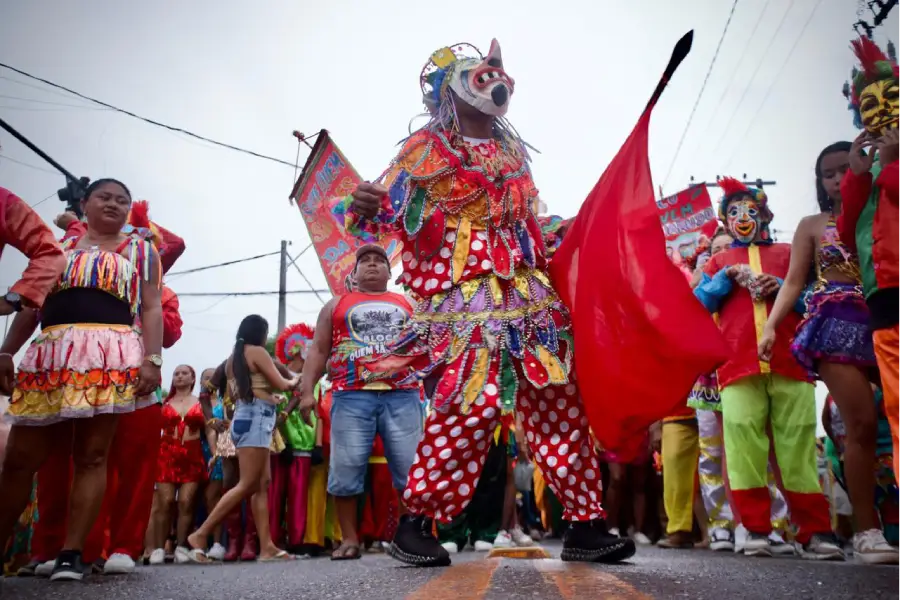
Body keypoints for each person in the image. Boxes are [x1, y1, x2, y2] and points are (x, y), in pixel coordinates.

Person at [335, 39, 635, 568]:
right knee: (467, 408)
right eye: (481, 78)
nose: (498, 86)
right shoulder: (422, 153)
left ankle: (585, 523)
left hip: (527, 296)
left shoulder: (514, 156)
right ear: (448, 91)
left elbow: (527, 224)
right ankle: (417, 524)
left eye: (503, 81)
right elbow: (387, 217)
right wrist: (364, 204)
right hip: (465, 302)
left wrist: (566, 229)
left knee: (559, 401)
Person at [0, 179, 163, 581]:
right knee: (21, 459)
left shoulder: (142, 250)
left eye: (122, 200)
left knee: (92, 455)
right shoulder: (56, 249)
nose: (114, 204)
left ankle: (73, 554)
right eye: (104, 197)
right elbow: (32, 303)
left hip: (109, 353)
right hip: (52, 351)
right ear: (85, 204)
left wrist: (152, 360)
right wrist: (7, 350)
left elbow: (153, 306)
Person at [760, 141, 900, 564]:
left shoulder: (883, 211)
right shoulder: (811, 225)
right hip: (835, 326)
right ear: (820, 182)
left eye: (846, 168)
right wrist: (769, 327)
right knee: (858, 424)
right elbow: (792, 281)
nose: (839, 178)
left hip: (883, 313)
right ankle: (867, 532)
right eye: (829, 173)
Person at [694, 177, 842, 560]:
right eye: (734, 213)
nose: (743, 219)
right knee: (743, 446)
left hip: (790, 360)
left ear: (765, 213)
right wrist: (723, 280)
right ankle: (755, 528)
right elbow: (697, 303)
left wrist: (781, 286)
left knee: (797, 446)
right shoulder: (719, 260)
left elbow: (816, 298)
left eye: (750, 211)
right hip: (736, 363)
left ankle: (814, 532)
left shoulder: (789, 252)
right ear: (725, 221)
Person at [300, 244, 424, 560]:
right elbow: (317, 350)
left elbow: (429, 344)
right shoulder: (335, 305)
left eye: (379, 261)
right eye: (364, 261)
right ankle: (349, 539)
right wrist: (305, 392)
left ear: (389, 272)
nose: (372, 265)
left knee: (410, 468)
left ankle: (413, 535)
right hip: (350, 394)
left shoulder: (409, 303)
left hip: (403, 393)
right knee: (346, 467)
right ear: (353, 274)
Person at [688, 230, 792, 555]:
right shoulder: (707, 280)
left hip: (747, 368)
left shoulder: (757, 276)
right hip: (709, 378)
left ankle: (771, 525)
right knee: (712, 454)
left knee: (758, 450)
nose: (724, 253)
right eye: (716, 250)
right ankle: (721, 525)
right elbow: (694, 310)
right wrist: (721, 278)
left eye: (727, 248)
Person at [836, 38, 900, 488]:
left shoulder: (891, 163)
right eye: (870, 104)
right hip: (884, 303)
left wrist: (891, 164)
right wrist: (859, 175)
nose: (880, 111)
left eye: (891, 98)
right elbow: (847, 232)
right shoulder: (872, 168)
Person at [185, 314, 299, 562]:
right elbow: (282, 383)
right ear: (259, 332)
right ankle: (201, 534)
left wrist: (273, 398)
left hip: (247, 418)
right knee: (247, 484)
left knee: (261, 484)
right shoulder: (257, 352)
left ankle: (267, 546)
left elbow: (241, 391)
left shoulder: (232, 359)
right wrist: (299, 377)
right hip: (255, 420)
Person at [270, 322, 321, 551]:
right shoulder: (277, 377)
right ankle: (270, 540)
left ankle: (297, 541)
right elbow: (273, 410)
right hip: (278, 444)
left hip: (304, 446)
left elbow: (319, 414)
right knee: (273, 494)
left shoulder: (314, 380)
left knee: (299, 496)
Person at [150, 365, 207, 564]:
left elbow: (209, 429)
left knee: (186, 502)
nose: (180, 376)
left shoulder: (201, 402)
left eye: (184, 373)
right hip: (167, 454)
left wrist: (216, 452)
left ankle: (181, 546)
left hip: (192, 455)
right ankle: (158, 547)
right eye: (176, 374)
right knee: (164, 502)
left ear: (193, 379)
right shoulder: (164, 403)